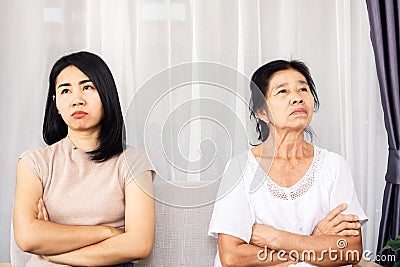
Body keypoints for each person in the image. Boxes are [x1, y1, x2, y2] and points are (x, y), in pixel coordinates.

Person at [208, 59, 367, 267]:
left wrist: (276, 238)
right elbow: (232, 256)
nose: (297, 98)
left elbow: (351, 251)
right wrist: (316, 242)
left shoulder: (334, 166)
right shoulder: (239, 168)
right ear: (261, 112)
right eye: (282, 92)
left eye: (303, 89)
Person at [13, 51, 155, 267]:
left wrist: (54, 251)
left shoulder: (133, 162)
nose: (77, 100)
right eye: (65, 90)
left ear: (106, 95)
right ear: (56, 103)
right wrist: (107, 232)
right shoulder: (34, 162)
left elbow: (139, 244)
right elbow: (27, 237)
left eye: (87, 87)